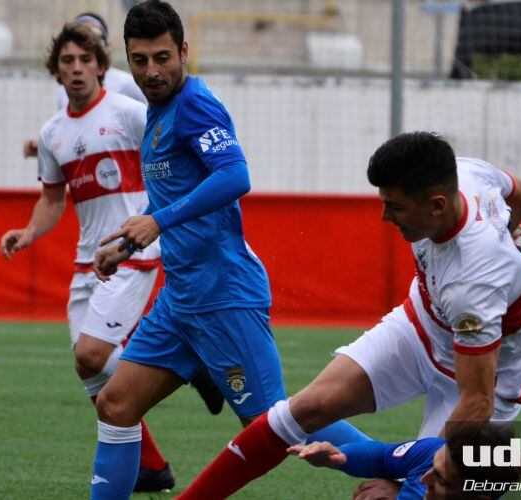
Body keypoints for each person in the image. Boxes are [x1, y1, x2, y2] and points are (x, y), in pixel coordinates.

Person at [87, 2, 365, 498]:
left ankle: (400, 466)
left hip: (222, 295)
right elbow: (174, 192)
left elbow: (236, 176)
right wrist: (130, 239)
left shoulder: (194, 104)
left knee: (273, 423)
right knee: (115, 404)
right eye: (140, 59)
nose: (152, 71)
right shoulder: (158, 112)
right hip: (182, 299)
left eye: (163, 57)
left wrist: (158, 220)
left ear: (185, 52)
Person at [178, 132, 521, 499]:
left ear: (437, 205)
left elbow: (477, 400)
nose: (384, 216)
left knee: (448, 488)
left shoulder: (475, 280)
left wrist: (409, 478)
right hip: (423, 324)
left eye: (395, 207)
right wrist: (506, 230)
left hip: (489, 375)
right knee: (304, 408)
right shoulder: (465, 171)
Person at [0, 23, 188, 492]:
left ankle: (184, 358)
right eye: (67, 62)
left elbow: (172, 161)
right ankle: (150, 465)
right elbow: (52, 199)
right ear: (56, 72)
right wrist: (28, 231)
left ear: (102, 67)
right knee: (88, 369)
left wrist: (156, 220)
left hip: (132, 251)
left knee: (92, 352)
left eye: (85, 60)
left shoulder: (128, 112)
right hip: (87, 261)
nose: (77, 68)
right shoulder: (53, 133)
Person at [23, 12, 146, 159]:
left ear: (105, 47)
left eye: (92, 39)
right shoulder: (64, 92)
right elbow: (71, 133)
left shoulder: (128, 83)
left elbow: (153, 127)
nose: (77, 68)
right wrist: (45, 147)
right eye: (78, 39)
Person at [290, 423, 521, 500]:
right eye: (434, 466)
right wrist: (341, 457)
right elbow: (382, 455)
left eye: (442, 480)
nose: (424, 478)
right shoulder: (434, 451)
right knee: (298, 417)